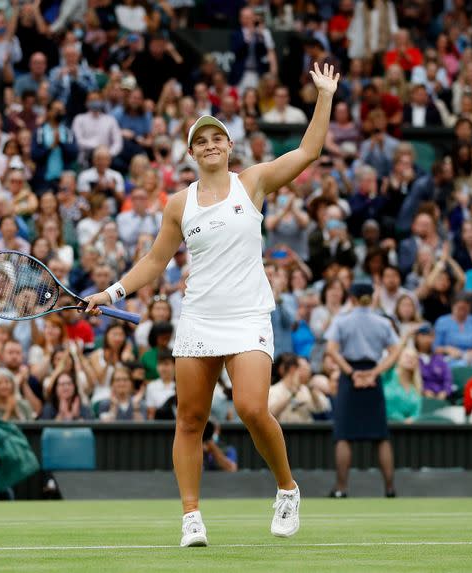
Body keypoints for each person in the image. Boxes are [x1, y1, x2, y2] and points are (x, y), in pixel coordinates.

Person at [84, 63, 341, 546]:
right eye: (200, 141)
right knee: (190, 419)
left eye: (216, 139)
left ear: (228, 147)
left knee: (250, 407)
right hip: (199, 317)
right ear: (191, 152)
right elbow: (156, 260)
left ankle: (287, 489)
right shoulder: (178, 204)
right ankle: (190, 517)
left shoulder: (255, 182)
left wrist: (324, 95)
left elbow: (310, 151)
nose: (209, 146)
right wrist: (111, 292)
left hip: (248, 316)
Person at [325, 283, 402, 498]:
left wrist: (351, 373)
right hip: (371, 377)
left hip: (351, 379)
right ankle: (390, 488)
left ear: (352, 298)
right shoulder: (383, 322)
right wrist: (375, 372)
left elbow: (331, 350)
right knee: (380, 435)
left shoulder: (342, 321)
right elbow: (395, 352)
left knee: (343, 435)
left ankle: (341, 488)